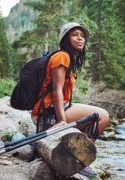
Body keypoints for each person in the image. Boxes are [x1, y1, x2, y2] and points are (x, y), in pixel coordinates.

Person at [31, 22, 109, 177]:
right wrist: (61, 120)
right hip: (50, 113)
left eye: (82, 36)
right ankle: (80, 160)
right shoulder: (62, 56)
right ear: (66, 39)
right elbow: (56, 90)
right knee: (103, 116)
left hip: (52, 110)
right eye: (75, 35)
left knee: (95, 118)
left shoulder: (68, 57)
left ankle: (75, 158)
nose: (80, 38)